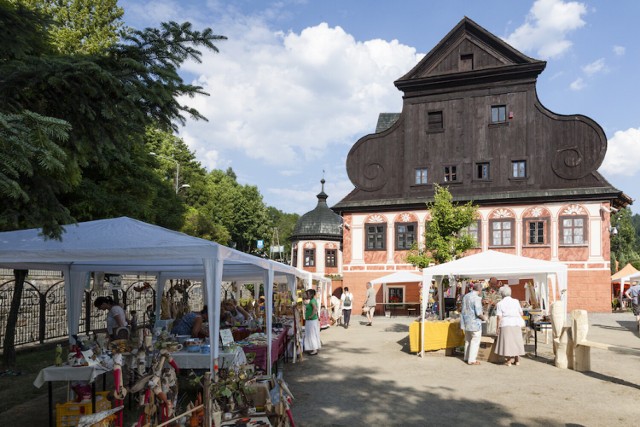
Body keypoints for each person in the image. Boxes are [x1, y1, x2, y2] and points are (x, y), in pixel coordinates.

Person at [495, 286, 526, 366]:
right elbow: (521, 313)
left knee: (508, 343)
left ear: (502, 294)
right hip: (516, 323)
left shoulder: (500, 303)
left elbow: (499, 317)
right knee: (516, 341)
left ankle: (508, 361)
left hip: (505, 323)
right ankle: (517, 360)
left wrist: (497, 328)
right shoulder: (516, 301)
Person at [460, 283, 487, 365]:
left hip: (466, 322)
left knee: (468, 340)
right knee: (475, 341)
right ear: (479, 290)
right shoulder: (477, 298)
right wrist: (485, 318)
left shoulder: (466, 296)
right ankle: (472, 360)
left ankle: (466, 357)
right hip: (475, 323)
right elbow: (478, 313)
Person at [303, 289, 321, 355]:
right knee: (312, 335)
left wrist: (311, 316)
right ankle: (314, 348)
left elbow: (315, 308)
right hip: (311, 320)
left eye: (308, 294)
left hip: (311, 321)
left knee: (312, 335)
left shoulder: (312, 301)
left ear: (311, 294)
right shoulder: (312, 300)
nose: (307, 295)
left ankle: (314, 349)